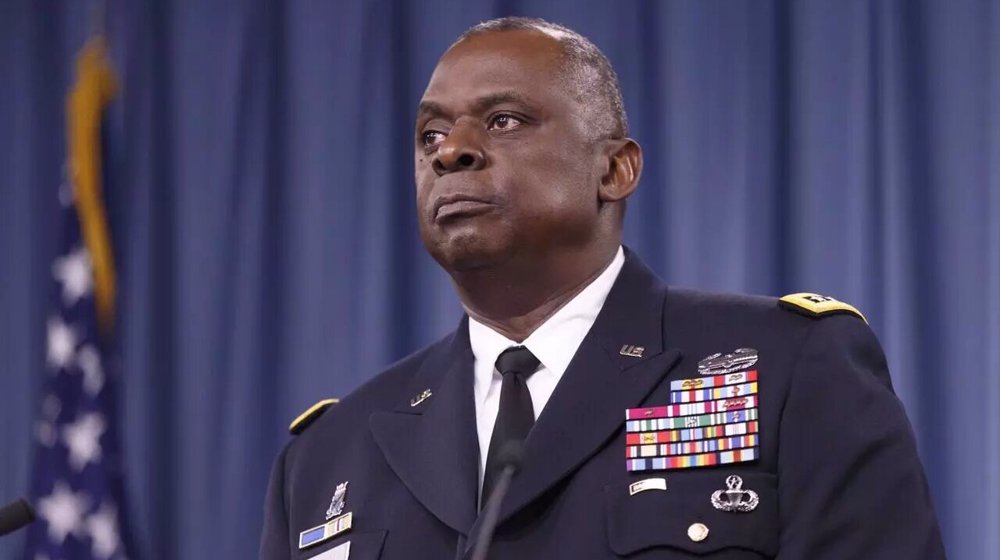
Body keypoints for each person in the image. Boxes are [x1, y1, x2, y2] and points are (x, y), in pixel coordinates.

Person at [260, 17, 945, 559]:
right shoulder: (326, 458)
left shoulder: (789, 368)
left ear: (615, 170)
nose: (450, 151)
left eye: (503, 121)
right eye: (430, 134)